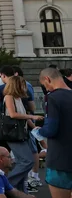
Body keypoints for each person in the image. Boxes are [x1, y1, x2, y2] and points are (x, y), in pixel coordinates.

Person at [2, 75, 42, 193]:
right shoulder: (9, 97)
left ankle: (20, 190)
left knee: (22, 162)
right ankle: (8, 185)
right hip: (13, 134)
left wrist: (35, 128)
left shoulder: (18, 98)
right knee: (27, 161)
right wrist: (32, 116)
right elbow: (13, 114)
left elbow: (24, 117)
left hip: (20, 133)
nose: (25, 87)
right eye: (23, 85)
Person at [37, 67, 72, 196]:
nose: (45, 88)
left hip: (60, 159)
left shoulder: (52, 98)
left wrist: (40, 130)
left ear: (47, 79)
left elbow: (51, 129)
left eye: (44, 85)